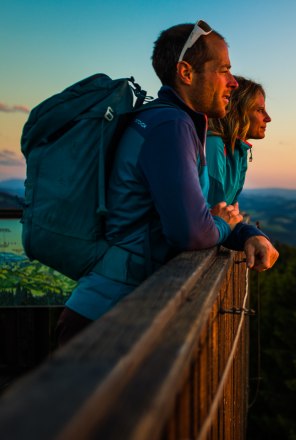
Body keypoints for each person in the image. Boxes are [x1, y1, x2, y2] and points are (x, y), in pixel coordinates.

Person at [55, 20, 279, 346]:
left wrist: (242, 230)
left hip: (116, 307)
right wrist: (226, 225)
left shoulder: (172, 121)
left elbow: (202, 214)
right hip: (109, 315)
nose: (233, 83)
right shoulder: (170, 125)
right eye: (223, 71)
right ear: (186, 73)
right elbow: (192, 231)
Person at [205, 76, 271, 207]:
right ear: (236, 111)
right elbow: (213, 211)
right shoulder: (213, 144)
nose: (268, 118)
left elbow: (230, 208)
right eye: (259, 110)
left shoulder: (239, 150)